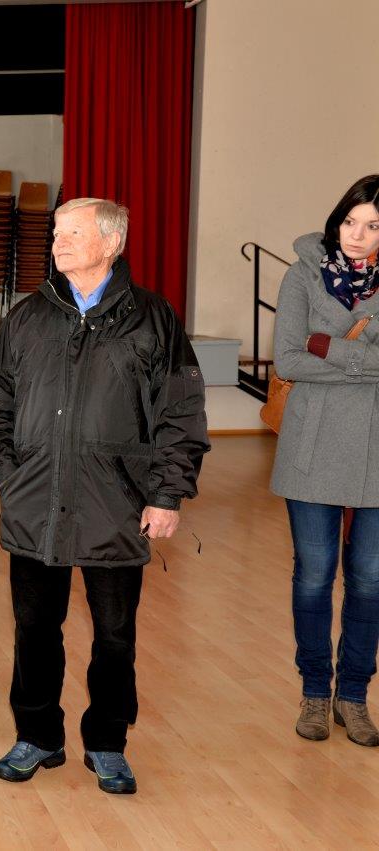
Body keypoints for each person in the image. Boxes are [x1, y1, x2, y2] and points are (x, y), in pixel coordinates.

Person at [0, 197, 208, 795]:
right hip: (35, 501)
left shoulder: (153, 318)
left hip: (118, 504)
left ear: (111, 243)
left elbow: (181, 413)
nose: (58, 242)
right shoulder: (27, 316)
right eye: (56, 232)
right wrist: (8, 473)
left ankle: (107, 742)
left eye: (73, 233)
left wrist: (166, 495)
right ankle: (37, 736)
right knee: (34, 629)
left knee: (114, 637)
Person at [271, 174, 379, 748]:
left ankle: (354, 696)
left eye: (373, 226)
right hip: (310, 446)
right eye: (350, 221)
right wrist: (364, 360)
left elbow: (310, 349)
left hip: (376, 449)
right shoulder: (303, 274)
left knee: (371, 579)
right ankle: (315, 691)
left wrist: (325, 345)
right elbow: (288, 360)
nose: (357, 235)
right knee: (314, 575)